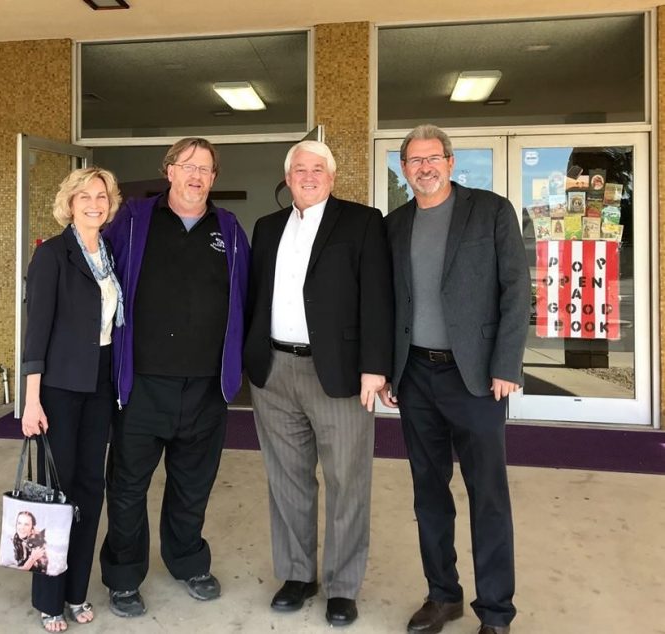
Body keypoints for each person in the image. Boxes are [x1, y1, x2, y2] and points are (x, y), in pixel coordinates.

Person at [379, 124, 531, 634]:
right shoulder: (394, 224)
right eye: (414, 160)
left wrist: (507, 364)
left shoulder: (490, 211)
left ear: (449, 161)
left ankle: (496, 613)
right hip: (416, 375)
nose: (424, 167)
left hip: (477, 377)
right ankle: (443, 596)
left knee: (487, 494)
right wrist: (387, 367)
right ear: (404, 169)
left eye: (433, 158)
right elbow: (388, 303)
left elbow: (516, 290)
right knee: (428, 493)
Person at [244, 140, 393, 627]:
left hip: (341, 374)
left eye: (317, 169)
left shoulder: (363, 221)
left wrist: (376, 366)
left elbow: (377, 298)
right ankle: (297, 575)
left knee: (348, 482)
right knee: (286, 480)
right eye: (299, 169)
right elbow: (253, 297)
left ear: (332, 176)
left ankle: (343, 587)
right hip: (274, 373)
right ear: (287, 179)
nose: (308, 176)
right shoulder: (267, 228)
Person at [99, 138, 250, 618]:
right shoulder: (135, 219)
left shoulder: (227, 227)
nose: (197, 176)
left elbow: (248, 294)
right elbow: (97, 269)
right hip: (142, 384)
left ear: (214, 178)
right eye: (188, 166)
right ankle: (124, 575)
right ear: (169, 171)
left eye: (206, 169)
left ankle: (187, 561)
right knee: (127, 487)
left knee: (193, 484)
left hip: (206, 387)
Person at [21, 166, 123, 632]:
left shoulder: (108, 252)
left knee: (90, 490)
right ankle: (48, 597)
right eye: (84, 196)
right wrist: (31, 400)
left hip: (99, 384)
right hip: (59, 389)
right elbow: (36, 331)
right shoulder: (52, 254)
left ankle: (77, 589)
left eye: (101, 196)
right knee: (56, 496)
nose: (93, 203)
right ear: (69, 202)